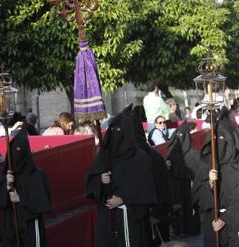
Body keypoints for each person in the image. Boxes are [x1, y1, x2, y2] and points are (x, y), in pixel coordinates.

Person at [86, 104, 158, 247]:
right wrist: (100, 179)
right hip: (106, 217)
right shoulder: (104, 155)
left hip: (128, 216)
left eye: (119, 130)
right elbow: (90, 182)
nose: (115, 133)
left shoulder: (139, 158)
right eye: (112, 130)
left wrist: (124, 200)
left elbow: (146, 191)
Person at [193, 109, 239, 247]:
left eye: (223, 138)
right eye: (216, 139)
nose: (220, 143)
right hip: (212, 222)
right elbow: (197, 196)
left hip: (235, 223)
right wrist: (210, 183)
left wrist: (226, 219)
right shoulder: (207, 163)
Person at [0, 128, 51, 246]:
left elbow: (43, 202)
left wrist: (21, 199)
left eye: (19, 150)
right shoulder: (6, 171)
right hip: (10, 221)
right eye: (14, 151)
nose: (16, 154)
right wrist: (7, 186)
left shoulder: (36, 174)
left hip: (29, 222)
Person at [132, 108, 174, 246]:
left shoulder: (147, 157)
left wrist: (156, 213)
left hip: (154, 216)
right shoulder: (150, 155)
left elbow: (161, 185)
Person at [166, 122, 201, 237]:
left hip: (189, 186)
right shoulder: (172, 151)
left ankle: (190, 229)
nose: (180, 137)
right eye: (178, 135)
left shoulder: (193, 154)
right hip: (176, 185)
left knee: (190, 207)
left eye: (183, 135)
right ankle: (177, 229)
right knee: (179, 207)